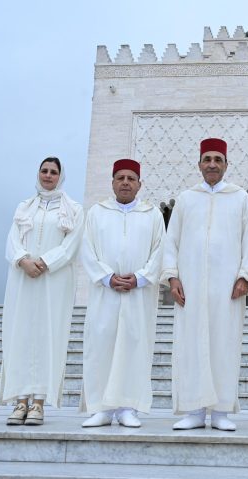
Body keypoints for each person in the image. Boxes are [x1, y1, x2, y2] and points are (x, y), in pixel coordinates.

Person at [162, 138, 248, 431]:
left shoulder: (239, 198)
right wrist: (172, 277)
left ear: (226, 165)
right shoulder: (186, 198)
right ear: (199, 164)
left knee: (224, 344)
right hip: (190, 286)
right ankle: (193, 411)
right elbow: (171, 241)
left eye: (218, 159)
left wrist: (244, 275)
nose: (212, 164)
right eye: (208, 159)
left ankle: (220, 412)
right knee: (190, 345)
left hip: (227, 289)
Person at [79, 159, 164, 428]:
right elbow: (87, 249)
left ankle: (129, 408)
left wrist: (140, 278)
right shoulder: (97, 213)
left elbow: (160, 251)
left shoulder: (152, 214)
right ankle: (102, 408)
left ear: (139, 184)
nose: (125, 183)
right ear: (113, 182)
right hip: (105, 293)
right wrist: (107, 277)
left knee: (134, 347)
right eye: (120, 178)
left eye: (131, 178)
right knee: (101, 346)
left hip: (138, 294)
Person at [0, 157, 84, 426]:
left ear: (61, 176)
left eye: (53, 172)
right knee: (20, 335)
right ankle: (20, 400)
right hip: (23, 279)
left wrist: (45, 262)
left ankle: (38, 402)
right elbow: (12, 240)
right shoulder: (24, 207)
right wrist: (23, 260)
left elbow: (72, 245)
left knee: (49, 335)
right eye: (44, 171)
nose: (48, 175)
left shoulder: (73, 209)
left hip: (53, 281)